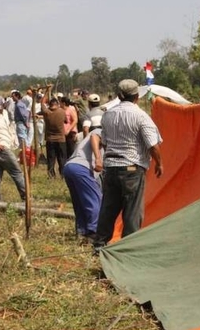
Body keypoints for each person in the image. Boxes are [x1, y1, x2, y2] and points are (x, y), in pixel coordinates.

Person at [92, 79, 164, 253]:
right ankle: (128, 248)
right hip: (132, 168)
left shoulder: (108, 115)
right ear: (137, 97)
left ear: (118, 96)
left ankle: (99, 245)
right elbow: (153, 145)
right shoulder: (141, 116)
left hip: (111, 168)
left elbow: (106, 142)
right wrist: (159, 163)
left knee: (108, 208)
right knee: (132, 211)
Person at [63, 128, 103, 241]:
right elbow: (94, 137)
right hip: (82, 168)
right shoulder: (101, 131)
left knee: (80, 203)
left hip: (70, 167)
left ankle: (82, 232)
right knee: (95, 200)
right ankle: (93, 232)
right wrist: (98, 159)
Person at [41, 91, 67, 178]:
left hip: (50, 139)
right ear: (57, 104)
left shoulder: (46, 112)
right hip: (61, 139)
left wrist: (46, 92)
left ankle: (51, 175)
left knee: (51, 159)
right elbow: (66, 121)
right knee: (62, 158)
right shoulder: (62, 112)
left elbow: (42, 103)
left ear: (50, 104)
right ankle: (63, 174)